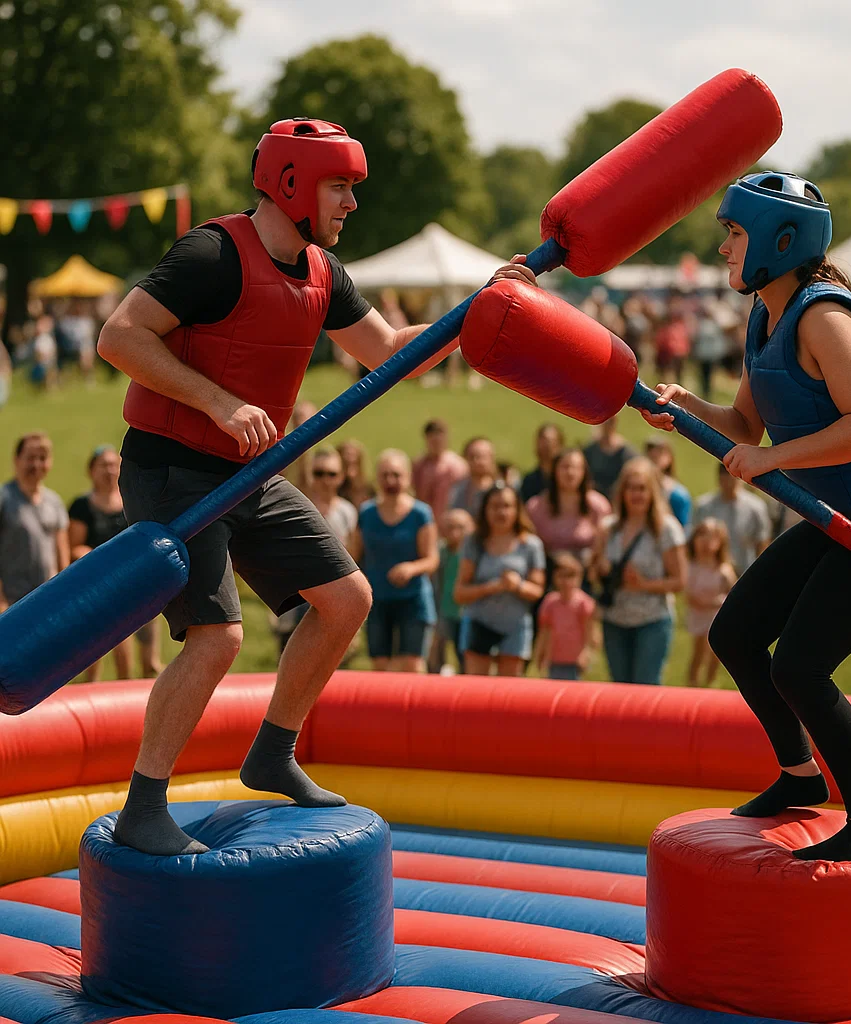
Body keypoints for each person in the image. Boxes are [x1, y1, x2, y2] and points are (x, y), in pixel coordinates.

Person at [96, 116, 536, 856]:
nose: (351, 205)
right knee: (218, 638)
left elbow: (389, 353)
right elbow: (119, 336)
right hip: (173, 467)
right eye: (341, 186)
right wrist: (217, 401)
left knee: (345, 599)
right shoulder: (211, 254)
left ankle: (272, 752)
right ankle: (145, 805)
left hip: (251, 473)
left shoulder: (324, 272)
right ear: (292, 182)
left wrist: (477, 308)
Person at [644, 172, 851, 861]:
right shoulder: (763, 314)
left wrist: (771, 460)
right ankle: (800, 776)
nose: (722, 248)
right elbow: (745, 422)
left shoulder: (823, 316)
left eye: (734, 233)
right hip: (836, 509)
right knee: (737, 633)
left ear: (781, 241)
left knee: (801, 668)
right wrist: (685, 405)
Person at [69, 445, 163, 681]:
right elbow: (74, 546)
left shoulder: (133, 502)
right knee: (101, 642)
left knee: (141, 638)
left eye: (114, 465)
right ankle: (93, 689)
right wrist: (96, 558)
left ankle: (142, 676)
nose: (109, 470)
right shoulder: (82, 506)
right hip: (96, 582)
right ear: (91, 471)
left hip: (132, 580)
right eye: (103, 465)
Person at [591, 457, 686, 686]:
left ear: (652, 492)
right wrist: (601, 569)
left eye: (642, 489)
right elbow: (593, 575)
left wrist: (642, 584)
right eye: (631, 488)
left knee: (646, 687)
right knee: (620, 688)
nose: (636, 495)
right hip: (614, 619)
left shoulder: (666, 529)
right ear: (622, 492)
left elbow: (679, 581)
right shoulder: (608, 528)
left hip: (652, 620)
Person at [350, 450, 439, 673]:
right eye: (385, 475)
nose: (391, 481)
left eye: (396, 475)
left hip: (413, 599)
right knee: (380, 665)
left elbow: (431, 559)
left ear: (407, 477)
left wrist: (411, 568)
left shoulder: (421, 514)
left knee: (412, 664)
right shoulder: (367, 513)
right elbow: (353, 556)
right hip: (377, 598)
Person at [270, 448, 360, 656]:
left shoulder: (348, 512)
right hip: (298, 590)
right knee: (290, 650)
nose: (325, 480)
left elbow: (352, 556)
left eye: (331, 474)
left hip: (332, 591)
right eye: (319, 473)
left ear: (341, 477)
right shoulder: (298, 504)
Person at [453, 483, 545, 677]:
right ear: (485, 509)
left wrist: (517, 585)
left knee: (509, 694)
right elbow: (460, 593)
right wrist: (490, 588)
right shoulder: (474, 543)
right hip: (479, 623)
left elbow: (537, 591)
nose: (501, 512)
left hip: (515, 626)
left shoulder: (531, 545)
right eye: (495, 506)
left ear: (517, 510)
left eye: (506, 506)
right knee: (476, 691)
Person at [0, 433, 70, 614]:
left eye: (42, 458)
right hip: (11, 604)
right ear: (16, 460)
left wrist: (65, 594)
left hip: (48, 601)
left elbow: (62, 555)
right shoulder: (4, 499)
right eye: (30, 458)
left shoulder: (54, 502)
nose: (37, 464)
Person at [525, 448, 611, 580]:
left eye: (576, 468)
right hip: (549, 576)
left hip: (587, 577)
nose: (570, 473)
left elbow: (607, 546)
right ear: (554, 471)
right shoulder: (536, 507)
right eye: (565, 467)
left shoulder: (598, 506)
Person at [692, 462, 770, 575]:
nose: (728, 482)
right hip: (713, 575)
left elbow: (762, 542)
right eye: (724, 477)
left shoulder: (756, 507)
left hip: (745, 572)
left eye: (732, 477)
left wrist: (759, 572)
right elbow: (695, 542)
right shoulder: (704, 507)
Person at [684, 518, 735, 688]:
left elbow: (733, 593)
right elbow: (690, 596)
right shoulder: (691, 567)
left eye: (712, 537)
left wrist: (718, 604)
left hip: (716, 616)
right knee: (699, 651)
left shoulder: (723, 570)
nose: (706, 542)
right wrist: (709, 603)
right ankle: (693, 682)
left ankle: (710, 682)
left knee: (715, 653)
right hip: (699, 615)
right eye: (702, 536)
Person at [534, 552, 598, 681]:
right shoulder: (550, 602)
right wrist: (540, 653)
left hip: (575, 660)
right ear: (554, 577)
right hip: (554, 659)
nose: (566, 581)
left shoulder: (584, 603)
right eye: (562, 576)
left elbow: (589, 632)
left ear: (579, 578)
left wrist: (585, 653)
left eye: (571, 576)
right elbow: (545, 631)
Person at [428, 507, 475, 673]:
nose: (455, 533)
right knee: (436, 656)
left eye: (460, 527)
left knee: (465, 656)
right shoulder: (440, 552)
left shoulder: (474, 554)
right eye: (450, 527)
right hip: (444, 610)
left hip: (467, 612)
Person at [412, 418, 468, 522]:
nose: (436, 444)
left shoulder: (457, 466)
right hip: (424, 519)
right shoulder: (419, 465)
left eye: (439, 440)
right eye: (433, 441)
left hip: (448, 521)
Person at [583, 415, 637, 499]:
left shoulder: (627, 453)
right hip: (595, 500)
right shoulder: (589, 451)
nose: (608, 424)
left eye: (611, 421)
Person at [644, 437, 691, 528]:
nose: (654, 459)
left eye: (659, 455)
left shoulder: (677, 494)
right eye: (651, 455)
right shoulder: (636, 487)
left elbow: (683, 527)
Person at [448, 437, 497, 520]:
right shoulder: (457, 490)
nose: (477, 461)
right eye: (472, 457)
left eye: (482, 456)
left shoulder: (501, 492)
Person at [519, 423, 564, 504]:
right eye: (544, 441)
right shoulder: (529, 481)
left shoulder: (567, 479)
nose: (548, 445)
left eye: (552, 441)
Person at [336, 439, 376, 508]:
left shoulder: (371, 490)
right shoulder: (334, 490)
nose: (350, 471)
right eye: (346, 464)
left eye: (355, 464)